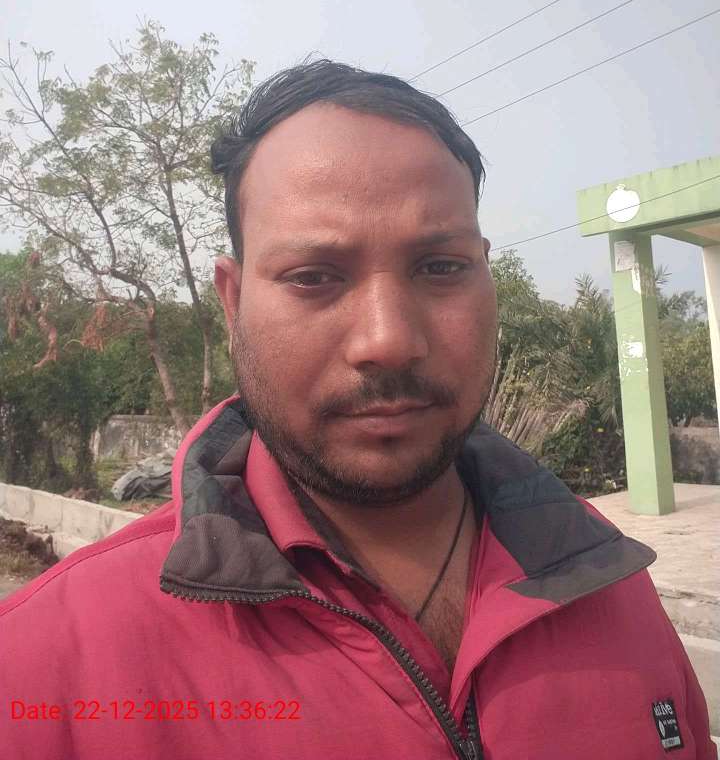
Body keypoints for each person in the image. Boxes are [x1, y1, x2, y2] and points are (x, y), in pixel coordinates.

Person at [0, 60, 715, 760]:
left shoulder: (607, 576)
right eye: (314, 277)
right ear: (233, 301)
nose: (388, 341)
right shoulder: (45, 664)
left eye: (441, 267)